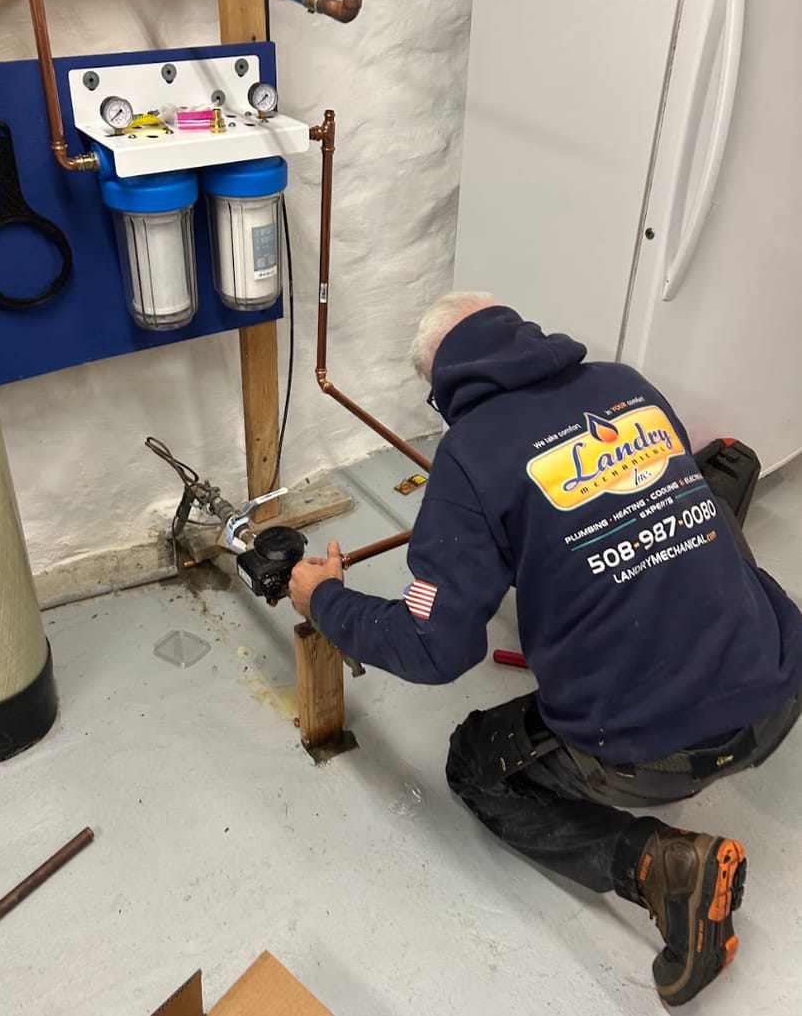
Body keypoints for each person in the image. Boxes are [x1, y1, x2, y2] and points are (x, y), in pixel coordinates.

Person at [289, 292, 802, 1007]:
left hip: (659, 745)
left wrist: (325, 600)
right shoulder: (628, 385)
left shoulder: (469, 457)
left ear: (443, 388)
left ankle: (661, 866)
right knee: (695, 516)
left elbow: (436, 648)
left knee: (476, 762)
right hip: (780, 683)